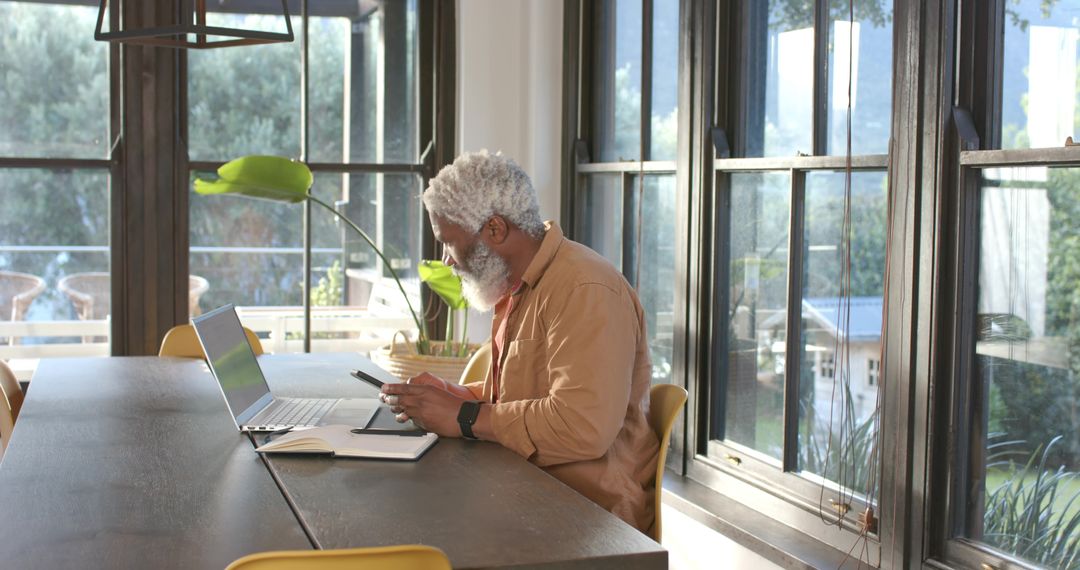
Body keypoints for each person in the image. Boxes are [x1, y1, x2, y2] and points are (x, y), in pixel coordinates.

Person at [379, 150, 660, 535]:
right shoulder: (520, 284)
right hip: (525, 490)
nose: (446, 261)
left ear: (495, 229)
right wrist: (459, 396)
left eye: (448, 243)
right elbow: (532, 394)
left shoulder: (584, 289)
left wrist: (466, 417)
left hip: (588, 520)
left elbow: (582, 427)